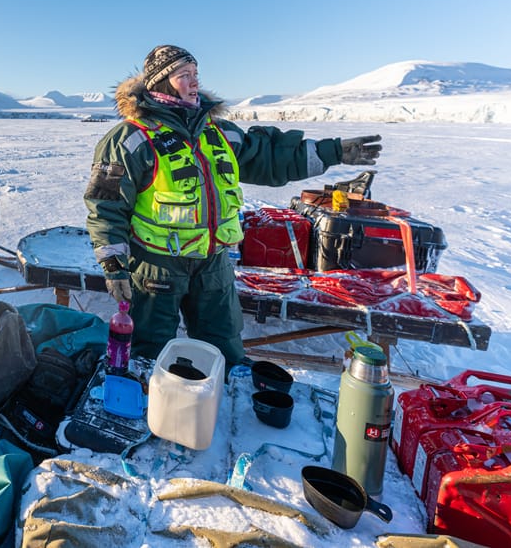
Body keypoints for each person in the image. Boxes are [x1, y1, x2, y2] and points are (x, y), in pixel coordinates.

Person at [84, 45, 382, 368]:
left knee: (224, 350)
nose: (194, 82)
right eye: (184, 75)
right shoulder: (131, 139)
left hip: (213, 264)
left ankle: (221, 409)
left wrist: (333, 152)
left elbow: (270, 155)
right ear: (160, 84)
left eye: (196, 74)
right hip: (156, 267)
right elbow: (105, 205)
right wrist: (114, 264)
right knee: (147, 356)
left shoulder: (218, 132)